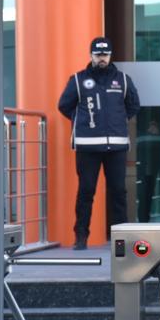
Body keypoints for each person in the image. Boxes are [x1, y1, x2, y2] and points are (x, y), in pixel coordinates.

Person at [58, 37, 140, 250]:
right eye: (98, 55)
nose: (101, 58)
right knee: (86, 191)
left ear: (110, 56)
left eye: (105, 55)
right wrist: (83, 121)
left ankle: (120, 240)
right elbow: (64, 105)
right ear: (91, 55)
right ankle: (81, 237)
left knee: (118, 192)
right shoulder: (78, 80)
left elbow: (134, 105)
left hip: (116, 146)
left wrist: (117, 121)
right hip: (87, 146)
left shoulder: (123, 80)